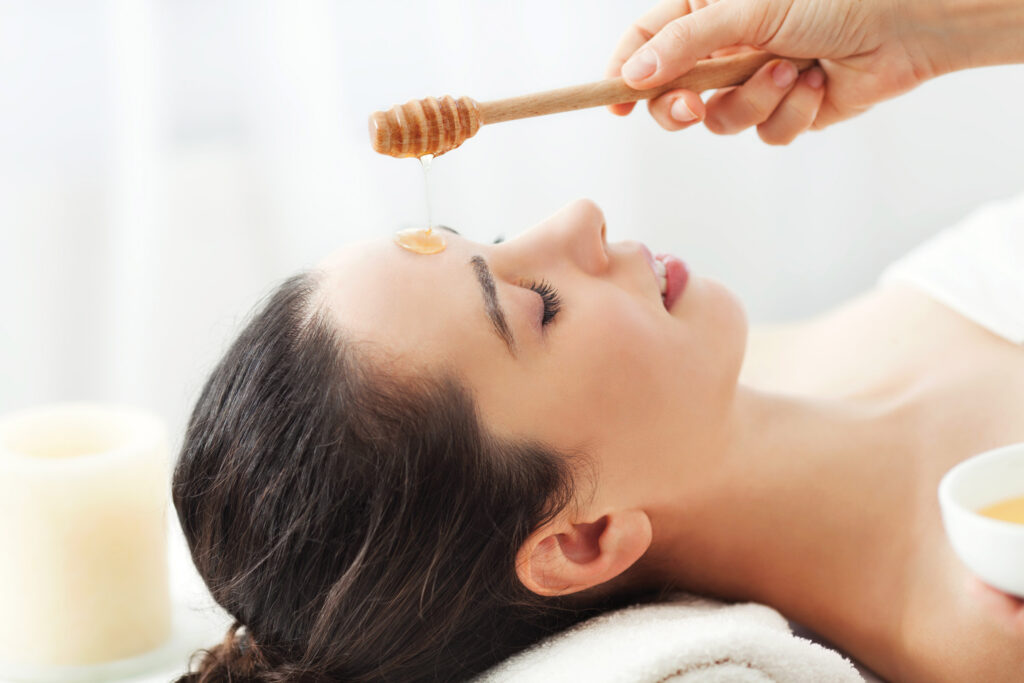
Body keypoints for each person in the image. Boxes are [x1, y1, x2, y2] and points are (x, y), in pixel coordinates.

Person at [171, 0, 1024, 681]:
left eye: (495, 237)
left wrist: (935, 24)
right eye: (540, 304)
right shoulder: (986, 604)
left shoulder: (792, 356)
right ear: (579, 539)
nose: (578, 217)